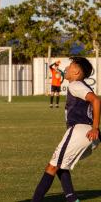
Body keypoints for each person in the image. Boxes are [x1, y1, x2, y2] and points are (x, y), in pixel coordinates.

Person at [32, 57, 100, 202]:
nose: (66, 68)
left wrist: (95, 127)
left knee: (52, 166)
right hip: (87, 134)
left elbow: (96, 100)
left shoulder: (75, 84)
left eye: (70, 66)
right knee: (62, 165)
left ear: (76, 71)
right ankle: (72, 199)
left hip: (81, 131)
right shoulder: (81, 85)